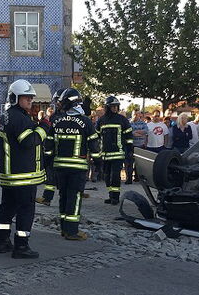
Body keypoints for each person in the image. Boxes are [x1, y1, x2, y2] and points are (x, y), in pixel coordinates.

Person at [0, 80, 47, 258]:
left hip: (10, 174)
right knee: (26, 210)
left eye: (31, 97)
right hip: (23, 174)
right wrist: (43, 127)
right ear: (15, 98)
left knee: (7, 208)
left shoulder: (7, 116)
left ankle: (3, 242)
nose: (30, 100)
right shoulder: (20, 118)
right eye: (26, 97)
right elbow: (29, 141)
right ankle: (21, 246)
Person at [51, 88, 100, 240]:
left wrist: (49, 163)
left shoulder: (56, 121)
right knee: (74, 197)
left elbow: (49, 146)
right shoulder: (85, 122)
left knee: (63, 196)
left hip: (59, 167)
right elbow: (94, 145)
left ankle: (64, 228)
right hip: (77, 168)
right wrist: (99, 163)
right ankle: (72, 231)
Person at [97, 95, 134, 204]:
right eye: (113, 106)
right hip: (105, 154)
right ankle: (110, 195)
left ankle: (115, 198)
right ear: (107, 107)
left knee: (115, 176)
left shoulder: (122, 120)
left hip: (118, 153)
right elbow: (97, 136)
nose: (115, 108)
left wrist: (130, 150)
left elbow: (129, 136)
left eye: (116, 106)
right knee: (106, 176)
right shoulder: (101, 120)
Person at [38, 93, 63, 206]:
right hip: (54, 152)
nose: (56, 103)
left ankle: (54, 199)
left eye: (58, 101)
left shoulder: (61, 117)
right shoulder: (54, 116)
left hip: (63, 152)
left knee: (58, 177)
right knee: (50, 176)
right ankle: (47, 198)